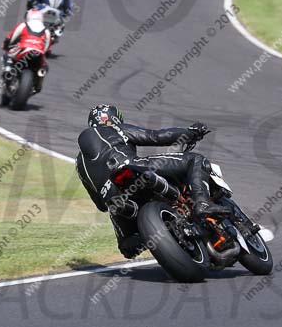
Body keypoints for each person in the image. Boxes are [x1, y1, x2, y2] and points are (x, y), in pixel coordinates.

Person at [75, 104, 228, 259]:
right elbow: (155, 136)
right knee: (196, 160)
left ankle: (154, 231)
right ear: (114, 118)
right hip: (133, 167)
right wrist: (190, 132)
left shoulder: (79, 165)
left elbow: (100, 205)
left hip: (115, 200)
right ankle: (202, 202)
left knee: (128, 247)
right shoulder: (114, 129)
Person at [2, 9, 50, 92]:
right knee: (45, 66)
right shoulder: (47, 30)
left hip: (23, 49)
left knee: (8, 54)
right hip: (38, 53)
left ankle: (8, 70)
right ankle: (39, 83)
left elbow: (10, 38)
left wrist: (6, 46)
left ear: (28, 17)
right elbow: (46, 48)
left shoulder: (23, 25)